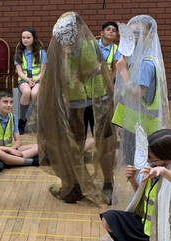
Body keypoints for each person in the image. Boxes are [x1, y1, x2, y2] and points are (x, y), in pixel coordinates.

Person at [36, 12, 115, 205]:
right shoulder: (60, 48)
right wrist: (64, 55)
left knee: (104, 142)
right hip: (75, 103)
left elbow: (96, 71)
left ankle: (107, 183)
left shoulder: (91, 44)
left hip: (98, 99)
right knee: (75, 144)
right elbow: (57, 77)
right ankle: (75, 184)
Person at [111, 16, 170, 207]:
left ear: (150, 37)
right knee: (132, 169)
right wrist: (123, 121)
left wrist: (122, 71)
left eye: (137, 33)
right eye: (131, 34)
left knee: (140, 168)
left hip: (143, 129)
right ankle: (138, 203)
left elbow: (137, 94)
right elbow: (129, 101)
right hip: (133, 125)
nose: (133, 38)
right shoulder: (137, 59)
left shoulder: (146, 63)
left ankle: (142, 206)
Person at [0, 89, 39, 167]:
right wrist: (8, 150)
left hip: (9, 150)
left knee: (39, 147)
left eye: (11, 102)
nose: (9, 105)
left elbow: (18, 141)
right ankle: (29, 161)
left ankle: (11, 160)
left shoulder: (12, 117)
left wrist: (11, 150)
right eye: (5, 102)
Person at [84, 22, 120, 137]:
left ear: (116, 35)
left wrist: (109, 84)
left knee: (102, 114)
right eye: (108, 29)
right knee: (88, 110)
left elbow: (115, 70)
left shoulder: (116, 49)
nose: (111, 31)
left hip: (105, 84)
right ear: (102, 33)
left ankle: (100, 139)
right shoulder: (91, 45)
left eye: (114, 31)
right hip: (90, 83)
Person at [14, 27, 47, 133]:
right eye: (23, 37)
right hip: (24, 79)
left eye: (28, 37)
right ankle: (22, 120)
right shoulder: (18, 53)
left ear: (34, 38)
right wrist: (28, 80)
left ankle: (38, 120)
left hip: (38, 79)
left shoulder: (42, 52)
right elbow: (19, 72)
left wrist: (35, 80)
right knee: (27, 92)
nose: (25, 40)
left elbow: (43, 71)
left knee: (34, 93)